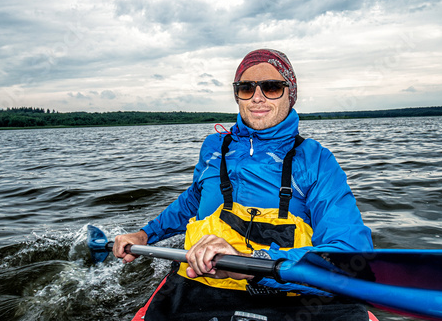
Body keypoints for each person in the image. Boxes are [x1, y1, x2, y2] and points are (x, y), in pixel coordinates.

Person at [112, 48, 374, 294]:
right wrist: (145, 234)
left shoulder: (316, 160)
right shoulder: (214, 147)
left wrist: (248, 264)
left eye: (272, 87)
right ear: (237, 95)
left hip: (279, 295)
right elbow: (193, 200)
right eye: (246, 88)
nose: (258, 97)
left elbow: (349, 254)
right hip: (198, 287)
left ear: (290, 93)